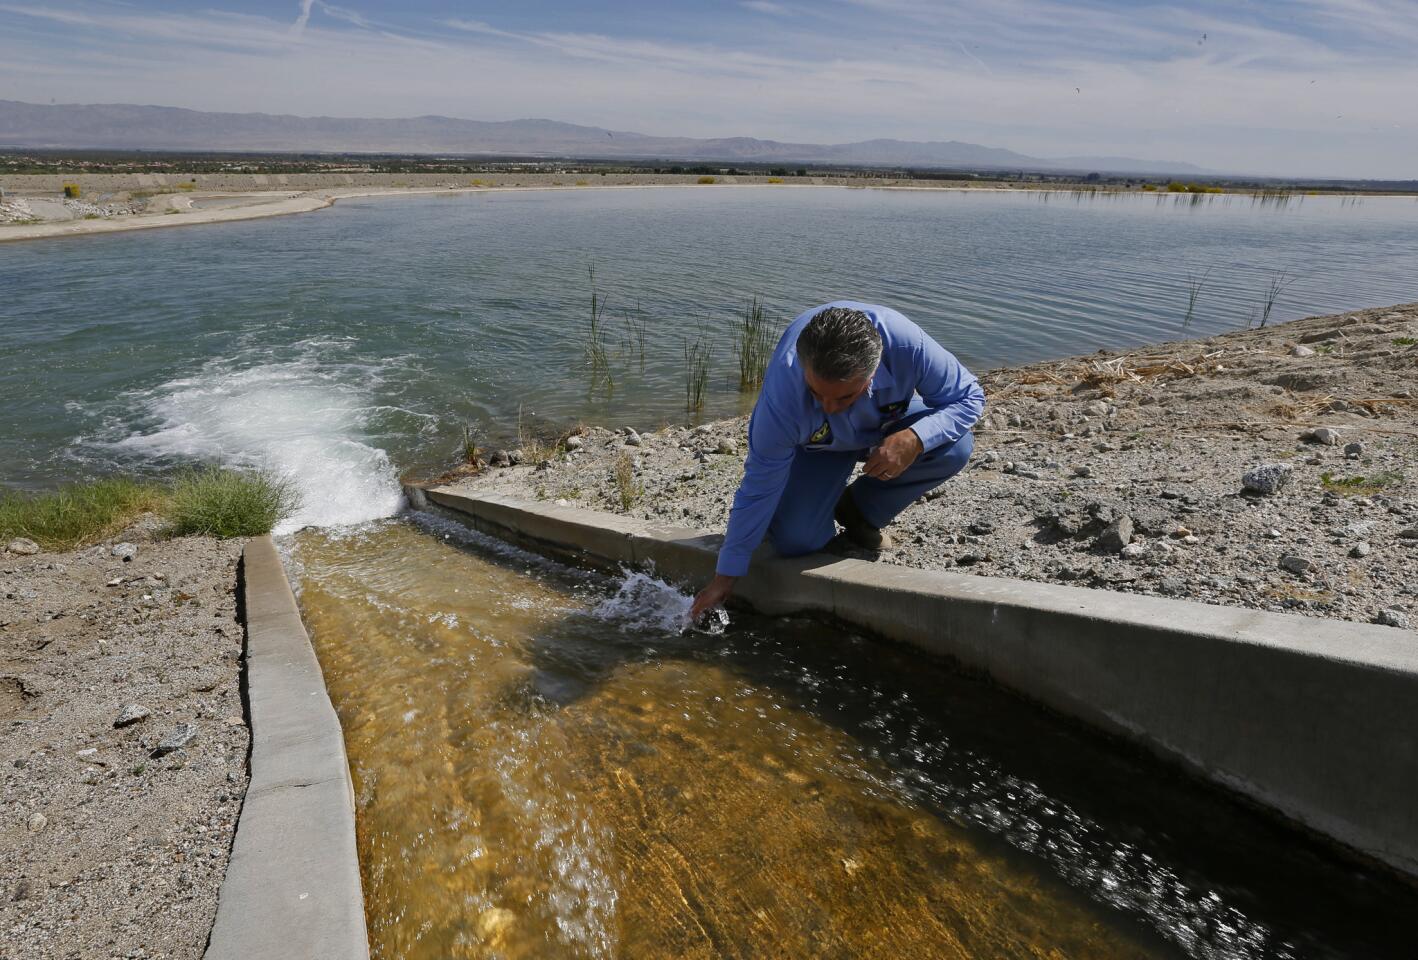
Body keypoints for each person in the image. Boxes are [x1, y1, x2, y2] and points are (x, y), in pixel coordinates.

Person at [690, 300, 985, 620]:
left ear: (872, 375)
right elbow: (759, 486)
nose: (829, 407)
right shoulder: (783, 397)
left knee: (955, 447)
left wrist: (915, 438)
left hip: (884, 426)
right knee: (796, 541)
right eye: (817, 395)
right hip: (820, 447)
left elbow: (968, 397)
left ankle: (860, 510)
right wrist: (725, 577)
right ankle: (818, 505)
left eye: (844, 396)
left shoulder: (906, 344)